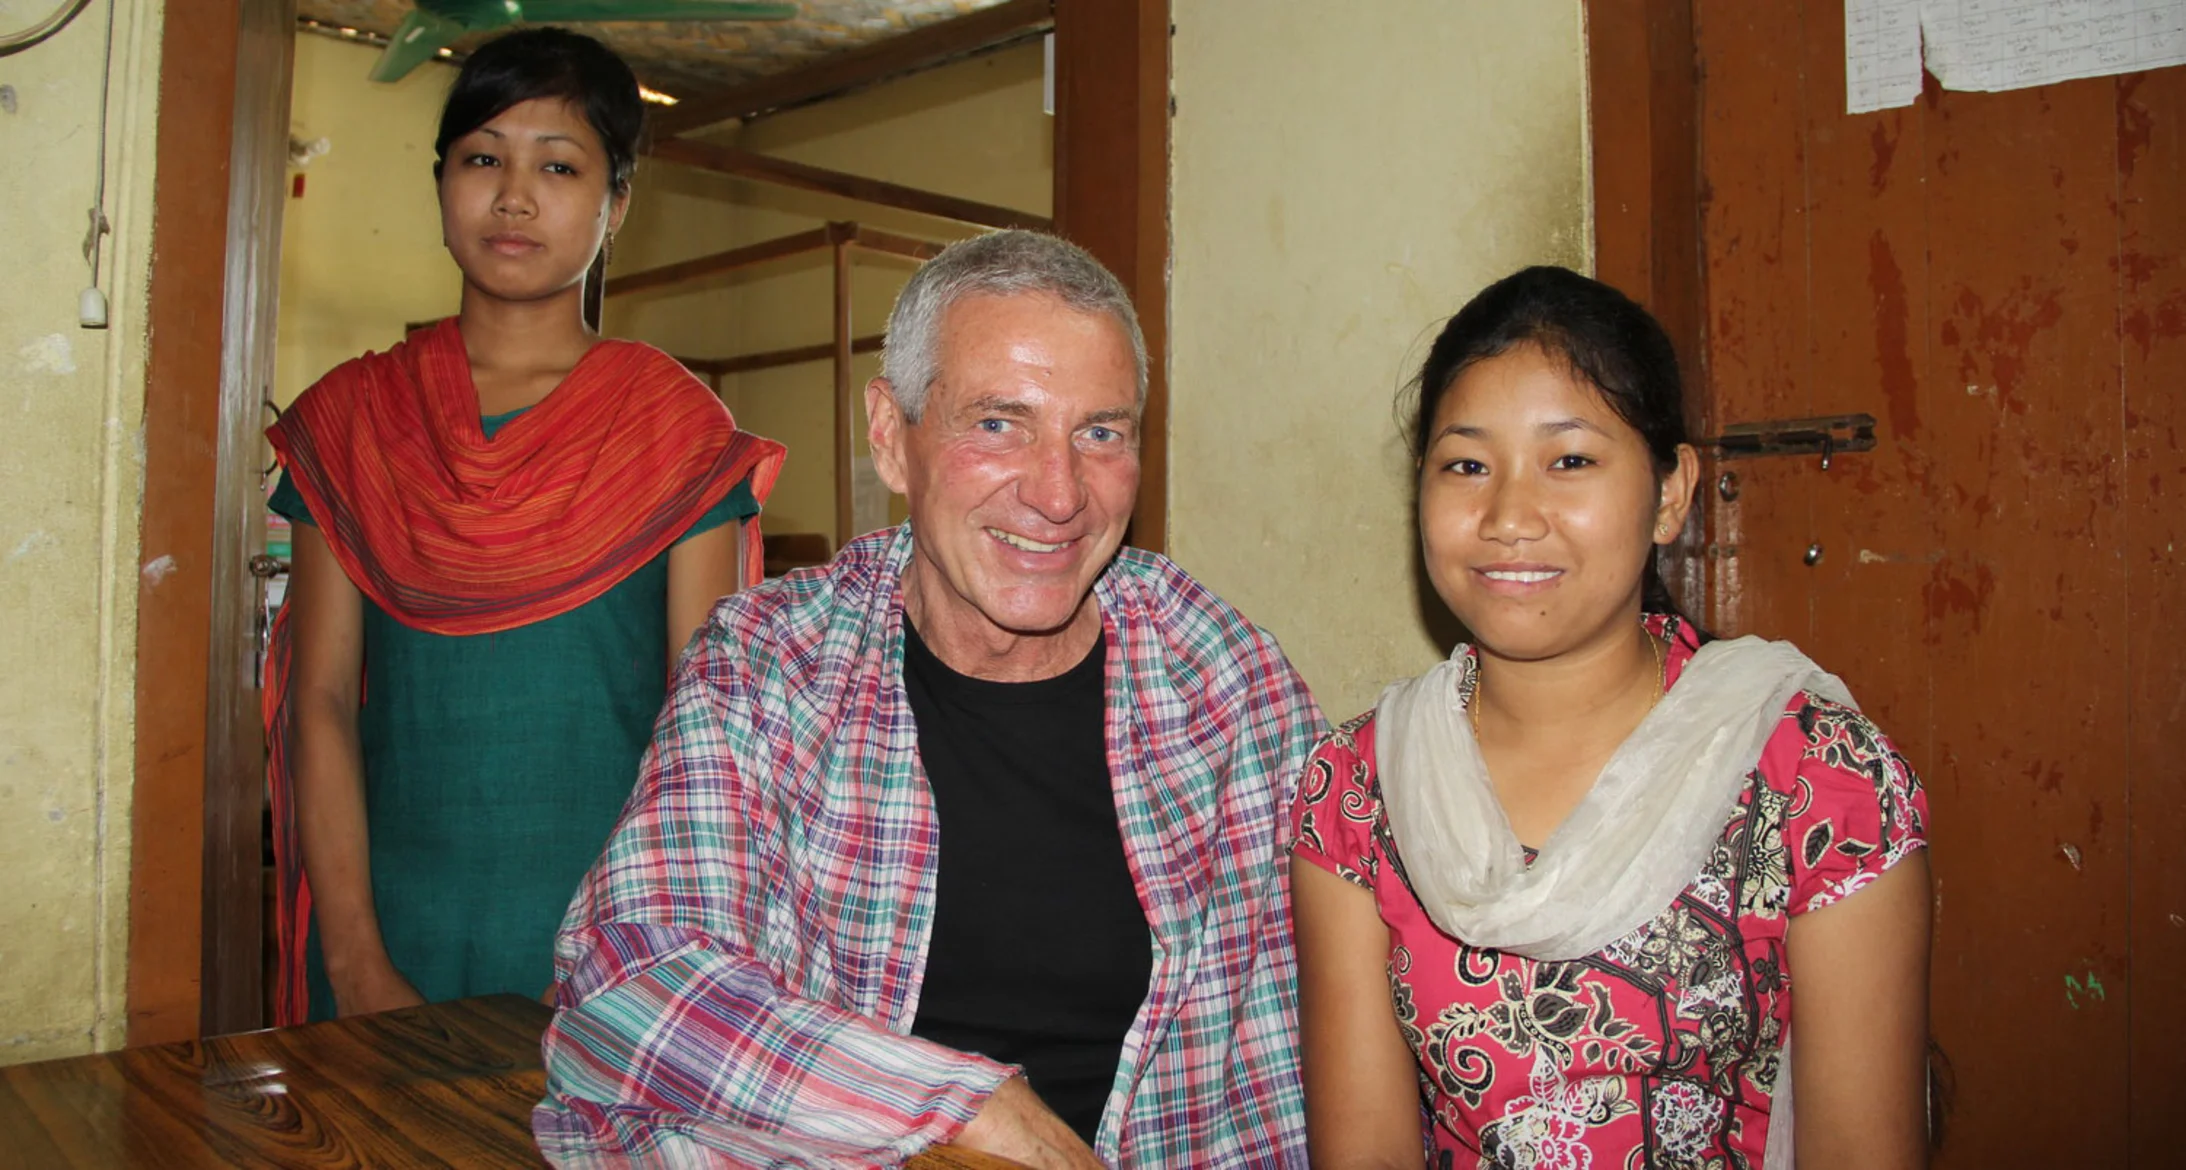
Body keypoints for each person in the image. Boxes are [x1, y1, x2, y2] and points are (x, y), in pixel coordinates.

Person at [534, 230, 1323, 1169]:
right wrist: (967, 1111)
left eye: (1100, 432)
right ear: (889, 438)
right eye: (998, 423)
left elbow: (1350, 1007)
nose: (1058, 492)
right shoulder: (772, 664)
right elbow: (633, 985)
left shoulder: (1223, 679)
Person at [1290, 266, 1932, 1169]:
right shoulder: (1359, 788)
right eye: (1466, 464)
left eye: (1571, 461)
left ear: (1670, 494)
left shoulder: (1816, 774)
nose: (1510, 516)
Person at [263, 27, 784, 1025]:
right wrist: (359, 962)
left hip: (614, 949)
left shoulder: (669, 430)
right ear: (441, 184)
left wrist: (620, 952)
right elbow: (320, 700)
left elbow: (707, 730)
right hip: (386, 934)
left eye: (558, 165)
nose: (513, 194)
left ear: (615, 202)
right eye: (482, 158)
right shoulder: (351, 424)